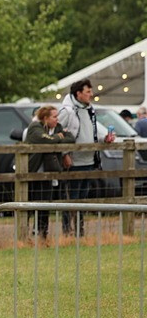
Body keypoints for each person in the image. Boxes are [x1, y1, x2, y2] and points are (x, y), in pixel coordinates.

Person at [56, 79, 115, 236]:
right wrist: (65, 154)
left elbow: (94, 131)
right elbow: (58, 135)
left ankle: (79, 230)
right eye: (88, 92)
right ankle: (67, 230)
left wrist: (105, 138)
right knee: (71, 197)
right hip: (74, 162)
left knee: (83, 197)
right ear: (78, 93)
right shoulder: (66, 111)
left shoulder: (90, 110)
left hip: (89, 160)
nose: (91, 95)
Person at [25, 104, 72, 238]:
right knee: (30, 204)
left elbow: (71, 138)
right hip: (33, 171)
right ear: (45, 118)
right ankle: (26, 233)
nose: (57, 119)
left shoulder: (57, 128)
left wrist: (57, 138)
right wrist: (58, 138)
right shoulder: (35, 127)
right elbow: (42, 139)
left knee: (45, 203)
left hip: (48, 172)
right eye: (54, 116)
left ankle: (42, 232)